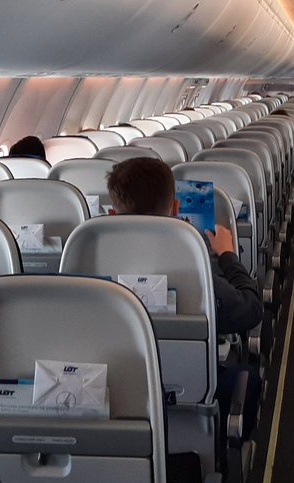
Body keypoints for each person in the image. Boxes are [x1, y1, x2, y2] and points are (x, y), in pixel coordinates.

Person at [106, 157, 263, 439]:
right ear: (176, 209)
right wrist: (226, 255)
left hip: (118, 411)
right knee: (247, 379)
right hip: (190, 404)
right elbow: (250, 310)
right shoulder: (189, 262)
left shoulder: (89, 259)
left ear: (111, 212)